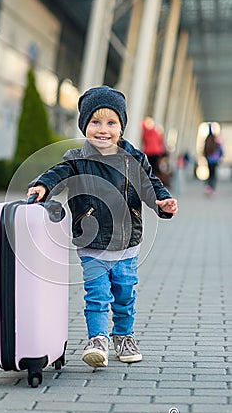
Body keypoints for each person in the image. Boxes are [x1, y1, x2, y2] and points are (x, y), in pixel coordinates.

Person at [27, 86, 178, 368]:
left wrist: (162, 201)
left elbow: (150, 186)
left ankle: (123, 336)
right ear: (85, 126)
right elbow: (57, 173)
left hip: (128, 244)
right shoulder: (77, 159)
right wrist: (42, 185)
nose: (103, 129)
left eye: (111, 123)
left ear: (121, 127)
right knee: (96, 295)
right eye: (95, 122)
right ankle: (97, 340)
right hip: (92, 244)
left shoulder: (135, 159)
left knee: (124, 293)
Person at [203, 124, 223, 196]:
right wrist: (220, 157)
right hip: (215, 160)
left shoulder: (207, 139)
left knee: (210, 173)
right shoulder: (216, 139)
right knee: (214, 175)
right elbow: (220, 150)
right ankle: (212, 189)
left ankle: (208, 186)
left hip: (209, 159)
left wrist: (206, 157)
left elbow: (204, 149)